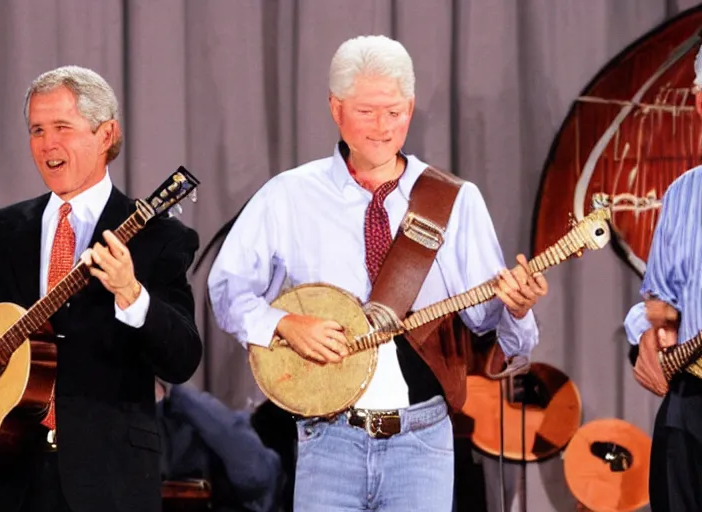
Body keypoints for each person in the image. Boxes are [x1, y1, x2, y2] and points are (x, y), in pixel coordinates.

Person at [207, 35, 547, 511]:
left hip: (423, 441)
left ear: (410, 107)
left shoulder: (454, 200)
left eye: (395, 112)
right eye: (366, 112)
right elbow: (227, 289)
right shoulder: (288, 195)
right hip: (327, 438)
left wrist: (517, 308)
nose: (383, 128)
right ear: (335, 107)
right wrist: (282, 323)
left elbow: (489, 326)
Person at [0, 65, 202, 512]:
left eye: (63, 127)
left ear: (106, 134)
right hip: (0, 473)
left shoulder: (159, 239)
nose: (47, 144)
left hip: (110, 479)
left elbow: (182, 359)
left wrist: (131, 294)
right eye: (37, 130)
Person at [623, 43, 702, 512]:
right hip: (689, 405)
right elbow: (660, 302)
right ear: (698, 101)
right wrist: (648, 334)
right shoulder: (682, 195)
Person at [155, 381, 284, 512]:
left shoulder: (260, 473)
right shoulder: (260, 471)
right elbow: (223, 429)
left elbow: (223, 428)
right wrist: (174, 391)